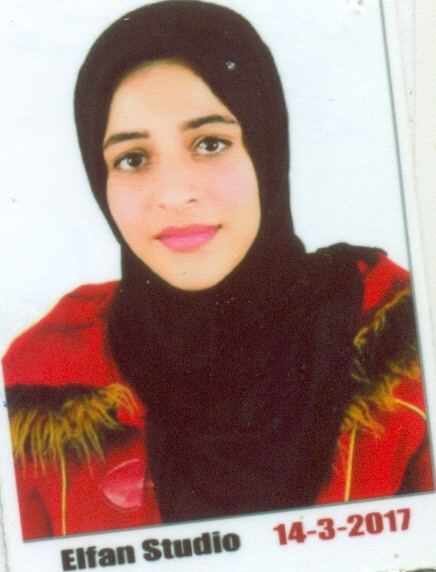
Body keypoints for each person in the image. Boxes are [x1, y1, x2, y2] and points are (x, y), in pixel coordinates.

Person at [2, 0, 433, 540]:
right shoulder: (42, 383)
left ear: (265, 150)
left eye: (210, 144)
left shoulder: (405, 344)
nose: (174, 194)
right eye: (132, 158)